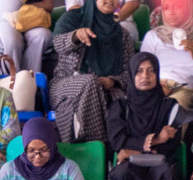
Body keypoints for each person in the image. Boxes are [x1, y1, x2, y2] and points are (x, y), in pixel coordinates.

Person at [106, 53, 185, 180]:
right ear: (132, 74)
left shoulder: (169, 105)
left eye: (151, 71)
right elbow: (117, 141)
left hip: (160, 161)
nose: (145, 76)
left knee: (166, 172)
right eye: (139, 71)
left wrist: (132, 149)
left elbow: (172, 143)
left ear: (157, 74)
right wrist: (156, 140)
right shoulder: (121, 106)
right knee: (121, 174)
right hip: (130, 164)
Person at [50, 0, 134, 145]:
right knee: (89, 81)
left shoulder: (122, 34)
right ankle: (100, 147)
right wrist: (76, 36)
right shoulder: (73, 18)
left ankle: (113, 150)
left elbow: (129, 73)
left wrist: (112, 81)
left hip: (107, 90)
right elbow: (58, 44)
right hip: (65, 87)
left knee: (121, 101)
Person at [142, 0, 193, 108]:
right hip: (155, 84)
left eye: (177, 6)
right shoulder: (153, 36)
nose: (171, 12)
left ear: (187, 8)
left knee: (173, 107)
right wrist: (157, 87)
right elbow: (141, 70)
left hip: (184, 88)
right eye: (166, 8)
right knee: (142, 104)